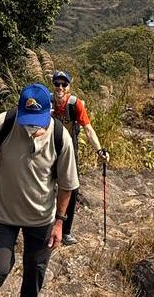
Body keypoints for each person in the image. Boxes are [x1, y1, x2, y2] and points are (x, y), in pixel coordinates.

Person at [0, 83, 79, 297]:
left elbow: (67, 186)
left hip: (41, 219)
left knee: (34, 276)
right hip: (3, 214)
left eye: (37, 121)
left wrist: (59, 222)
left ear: (49, 111)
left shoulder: (61, 137)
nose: (32, 126)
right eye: (28, 120)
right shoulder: (3, 124)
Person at [50, 70, 109, 246]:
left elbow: (88, 129)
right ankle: (44, 224)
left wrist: (99, 151)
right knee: (47, 186)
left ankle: (66, 230)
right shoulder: (48, 102)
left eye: (64, 84)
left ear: (69, 86)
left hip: (69, 152)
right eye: (57, 84)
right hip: (49, 150)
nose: (60, 87)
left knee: (71, 189)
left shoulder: (75, 104)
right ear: (53, 85)